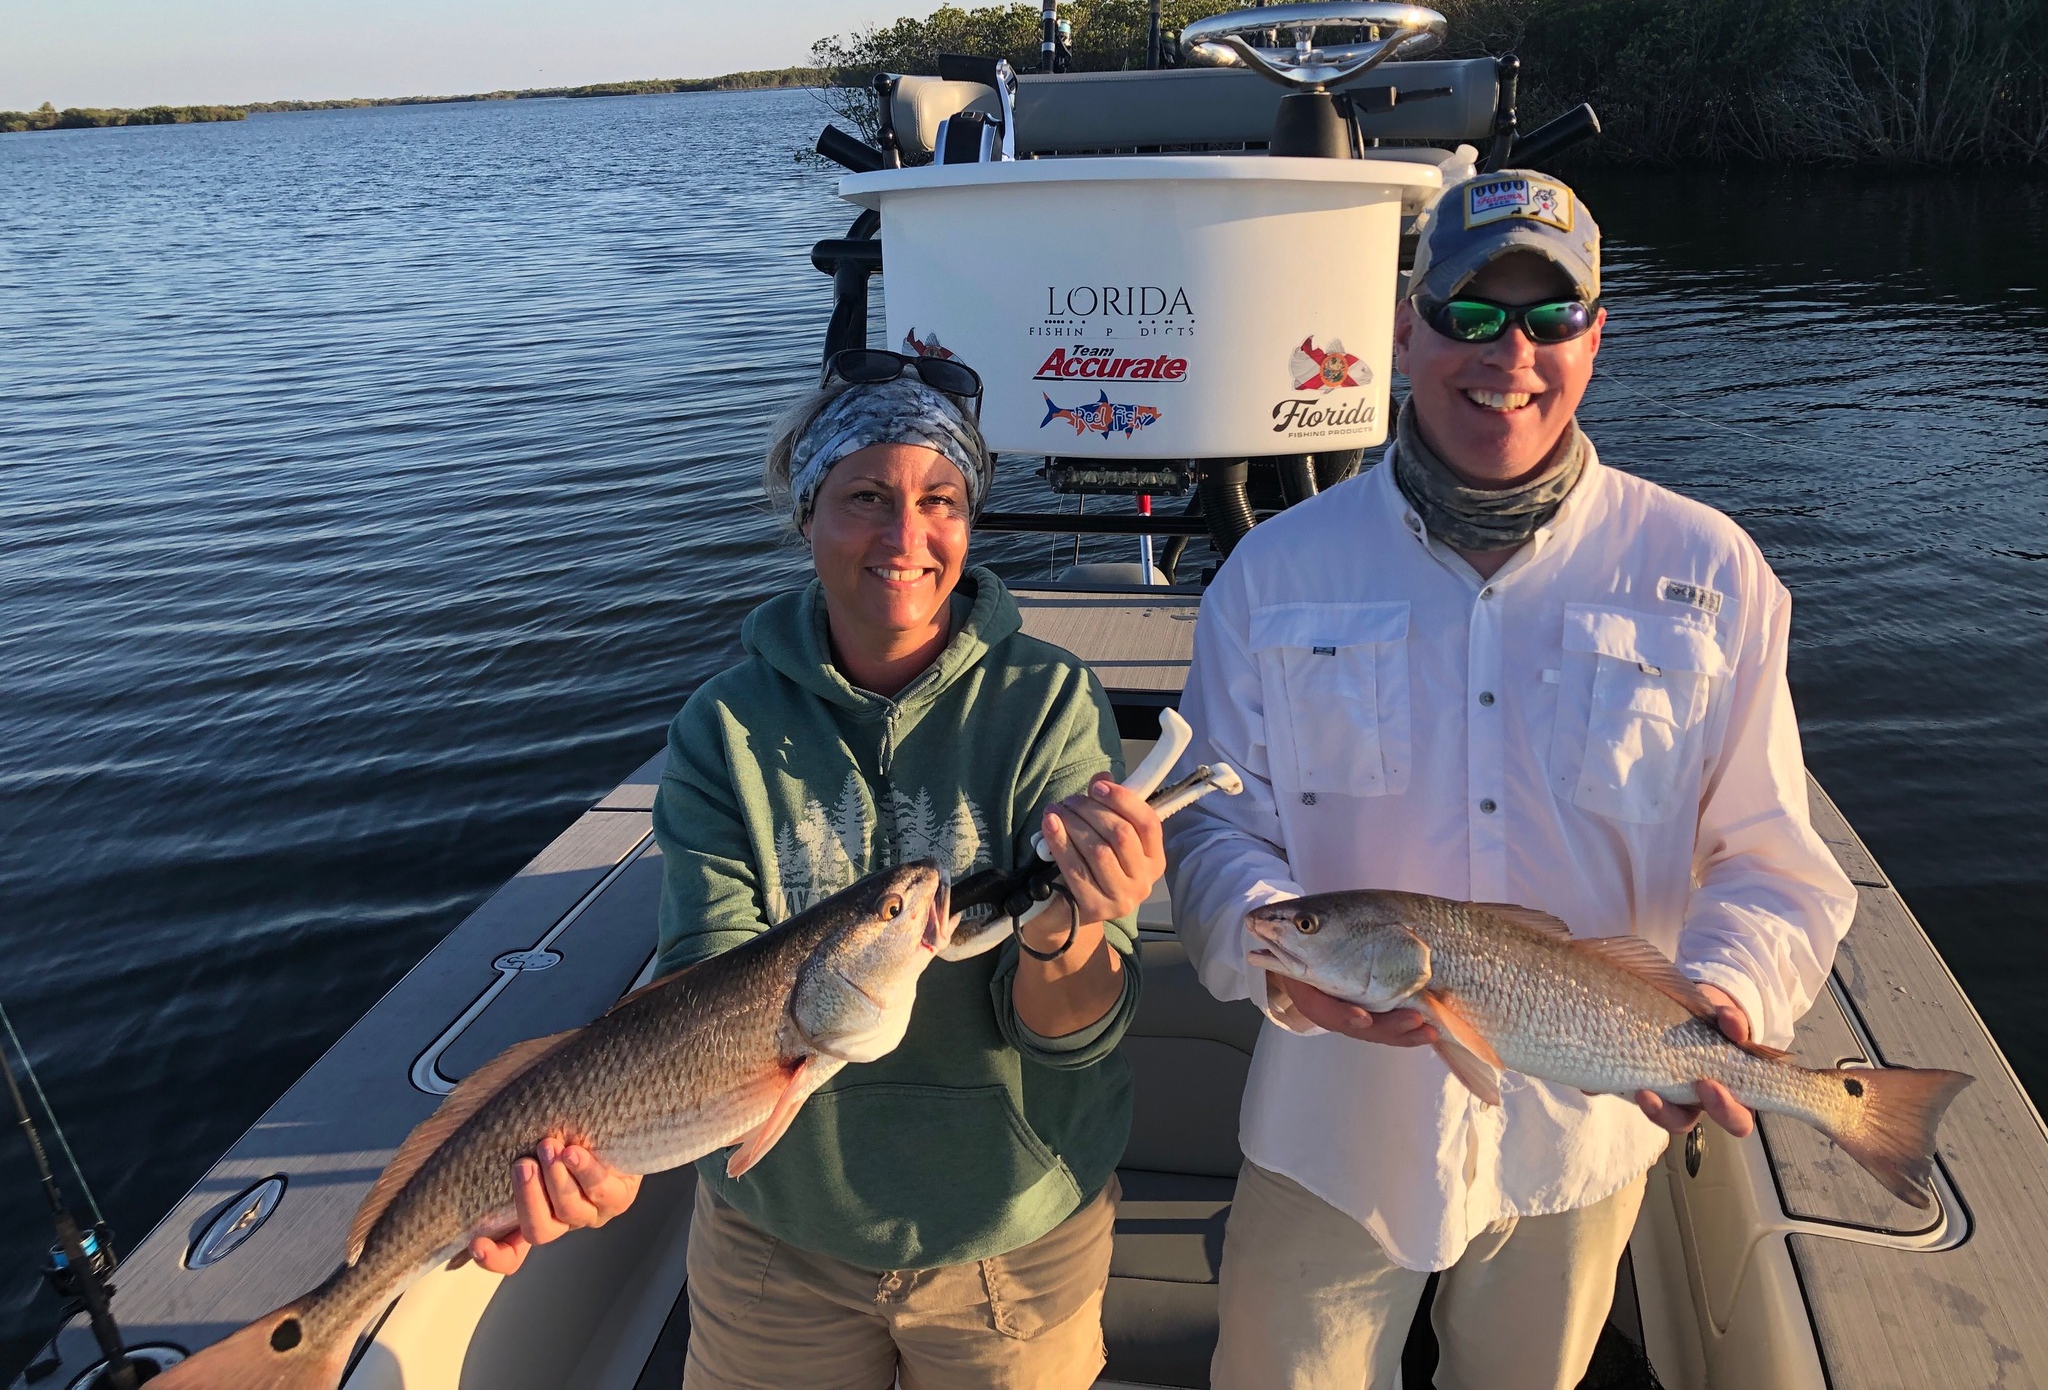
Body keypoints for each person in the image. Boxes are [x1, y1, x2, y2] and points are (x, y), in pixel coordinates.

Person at [1165, 170, 1856, 1390]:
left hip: (1582, 1143)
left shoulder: (1709, 570)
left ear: (1595, 334)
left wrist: (1725, 993)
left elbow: (1767, 857)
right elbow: (1216, 830)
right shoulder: (1274, 572)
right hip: (1333, 1137)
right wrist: (1275, 954)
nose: (1509, 354)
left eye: (1550, 317)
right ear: (1404, 328)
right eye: (1470, 315)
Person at [470, 349, 1162, 1390]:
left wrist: (1072, 924)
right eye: (865, 497)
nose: (905, 537)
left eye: (939, 499)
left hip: (1011, 1239)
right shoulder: (724, 726)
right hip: (772, 1243)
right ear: (807, 515)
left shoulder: (1050, 704)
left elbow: (1070, 1043)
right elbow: (700, 984)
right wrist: (605, 1162)